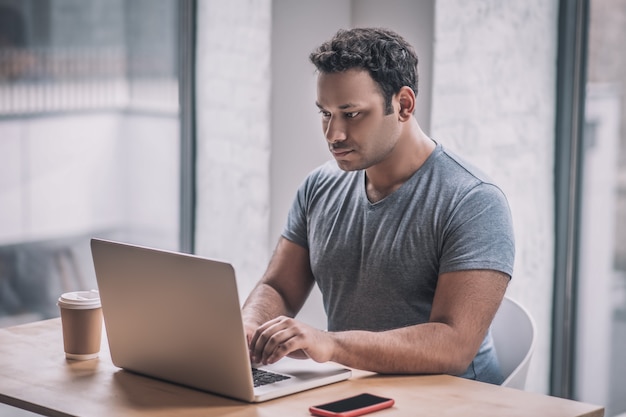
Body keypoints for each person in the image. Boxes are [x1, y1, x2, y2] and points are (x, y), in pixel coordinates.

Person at [242, 27, 515, 385]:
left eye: (351, 114)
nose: (333, 135)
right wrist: (247, 326)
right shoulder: (319, 187)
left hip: (453, 400)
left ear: (403, 105)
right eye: (325, 113)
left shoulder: (474, 201)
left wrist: (330, 344)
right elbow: (278, 287)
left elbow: (454, 346)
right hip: (356, 389)